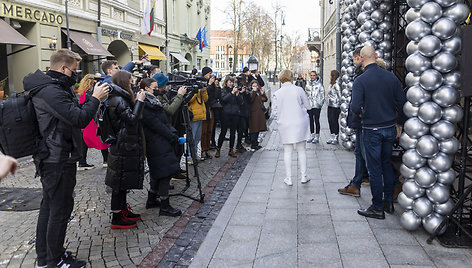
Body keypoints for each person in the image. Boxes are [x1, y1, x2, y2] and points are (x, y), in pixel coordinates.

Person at [23, 49, 109, 268]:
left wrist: (88, 99)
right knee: (58, 210)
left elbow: (72, 111)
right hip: (56, 157)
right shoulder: (50, 90)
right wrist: (95, 99)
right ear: (63, 68)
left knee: (50, 207)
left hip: (56, 155)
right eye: (74, 69)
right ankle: (53, 260)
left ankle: (47, 257)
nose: (76, 74)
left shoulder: (54, 87)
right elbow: (78, 118)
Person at [351, 46, 406, 219]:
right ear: (376, 56)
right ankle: (389, 201)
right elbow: (403, 101)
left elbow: (354, 107)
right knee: (386, 164)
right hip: (389, 128)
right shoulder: (391, 77)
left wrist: (364, 113)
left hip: (372, 129)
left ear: (361, 58)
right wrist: (399, 123)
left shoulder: (361, 80)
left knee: (374, 168)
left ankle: (377, 206)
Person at [105, 70, 146, 229]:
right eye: (130, 80)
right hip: (122, 145)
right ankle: (117, 217)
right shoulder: (118, 99)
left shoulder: (120, 98)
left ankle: (122, 211)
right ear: (124, 81)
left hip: (124, 143)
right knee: (118, 182)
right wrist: (140, 102)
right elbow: (132, 120)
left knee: (122, 181)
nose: (133, 83)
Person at [140, 78, 183, 216]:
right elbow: (156, 124)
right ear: (146, 88)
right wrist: (172, 136)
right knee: (165, 172)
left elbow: (163, 120)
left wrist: (172, 132)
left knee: (159, 172)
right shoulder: (146, 104)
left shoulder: (153, 100)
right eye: (154, 87)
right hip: (156, 142)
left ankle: (151, 199)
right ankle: (165, 206)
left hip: (160, 140)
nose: (157, 89)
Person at [338, 48, 369, 197]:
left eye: (355, 59)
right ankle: (357, 182)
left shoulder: (362, 76)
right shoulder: (362, 74)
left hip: (364, 122)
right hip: (361, 122)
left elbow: (358, 103)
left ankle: (392, 185)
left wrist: (359, 113)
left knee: (367, 154)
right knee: (360, 152)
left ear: (360, 58)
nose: (353, 62)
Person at [272, 69, 311, 186]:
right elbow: (308, 107)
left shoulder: (277, 93)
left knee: (287, 151)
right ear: (291, 78)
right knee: (301, 149)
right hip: (299, 122)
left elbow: (274, 113)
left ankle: (288, 178)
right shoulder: (298, 90)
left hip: (285, 124)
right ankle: (304, 176)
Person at [77, 74, 110, 169]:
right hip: (92, 119)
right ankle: (106, 160)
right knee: (101, 137)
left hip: (85, 118)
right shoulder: (92, 92)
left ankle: (82, 162)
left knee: (85, 140)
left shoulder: (83, 92)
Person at [215, 76, 241, 158]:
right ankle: (218, 149)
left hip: (235, 114)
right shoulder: (223, 90)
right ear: (226, 82)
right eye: (230, 82)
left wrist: (237, 95)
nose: (231, 84)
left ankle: (231, 149)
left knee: (233, 132)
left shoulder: (235, 90)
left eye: (232, 82)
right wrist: (232, 93)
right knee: (223, 131)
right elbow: (224, 100)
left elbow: (241, 102)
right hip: (225, 114)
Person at [187, 70, 209, 162]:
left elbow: (205, 99)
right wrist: (196, 91)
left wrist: (203, 91)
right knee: (191, 138)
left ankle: (195, 155)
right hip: (194, 116)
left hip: (200, 116)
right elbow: (189, 100)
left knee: (197, 138)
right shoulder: (192, 88)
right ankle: (189, 156)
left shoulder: (201, 90)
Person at [305, 71, 324, 143]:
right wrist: (306, 103)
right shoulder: (307, 85)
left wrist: (320, 104)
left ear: (316, 76)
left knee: (316, 120)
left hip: (316, 105)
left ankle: (317, 136)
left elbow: (322, 95)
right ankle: (312, 135)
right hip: (309, 105)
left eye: (314, 75)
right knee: (310, 120)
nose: (312, 77)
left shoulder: (319, 85)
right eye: (311, 75)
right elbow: (305, 94)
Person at [201, 67, 215, 160]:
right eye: (209, 73)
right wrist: (209, 85)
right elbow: (205, 96)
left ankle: (207, 149)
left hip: (210, 108)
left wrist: (213, 85)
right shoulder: (201, 83)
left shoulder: (212, 84)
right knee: (204, 131)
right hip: (203, 109)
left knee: (209, 131)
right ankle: (203, 150)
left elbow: (213, 95)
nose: (210, 75)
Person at [248, 80, 267, 151]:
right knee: (254, 128)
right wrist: (254, 91)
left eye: (256, 86)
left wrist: (263, 93)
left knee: (258, 128)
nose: (255, 87)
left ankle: (256, 143)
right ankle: (253, 143)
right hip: (253, 113)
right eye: (253, 86)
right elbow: (251, 100)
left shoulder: (259, 92)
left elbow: (265, 99)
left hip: (260, 113)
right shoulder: (250, 92)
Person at [326, 70, 342, 145]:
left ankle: (336, 136)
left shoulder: (337, 85)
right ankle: (332, 135)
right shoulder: (331, 84)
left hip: (335, 106)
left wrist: (336, 102)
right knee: (330, 120)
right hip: (330, 105)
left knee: (334, 121)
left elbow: (340, 96)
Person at [236, 74, 251, 152]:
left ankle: (240, 143)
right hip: (240, 111)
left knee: (244, 127)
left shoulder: (246, 87)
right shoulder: (238, 87)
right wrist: (241, 92)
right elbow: (237, 99)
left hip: (245, 110)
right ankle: (238, 144)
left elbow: (248, 100)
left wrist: (247, 93)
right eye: (246, 79)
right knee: (241, 128)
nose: (247, 80)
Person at [210, 78, 223, 149]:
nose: (216, 84)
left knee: (213, 126)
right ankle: (212, 141)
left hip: (217, 110)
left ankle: (213, 141)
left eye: (217, 83)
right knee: (212, 127)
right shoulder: (215, 90)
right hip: (214, 109)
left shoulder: (218, 89)